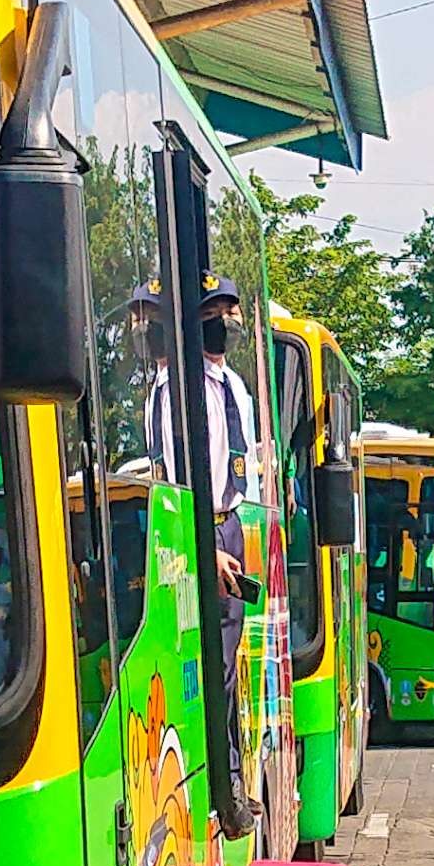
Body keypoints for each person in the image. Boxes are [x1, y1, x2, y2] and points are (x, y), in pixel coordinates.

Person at [140, 277, 261, 720]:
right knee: (209, 663)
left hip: (228, 525)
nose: (223, 325)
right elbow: (175, 480)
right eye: (210, 318)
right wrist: (203, 546)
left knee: (229, 658)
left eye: (228, 315)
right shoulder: (178, 388)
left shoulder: (233, 386)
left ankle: (229, 770)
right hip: (200, 530)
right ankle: (222, 775)